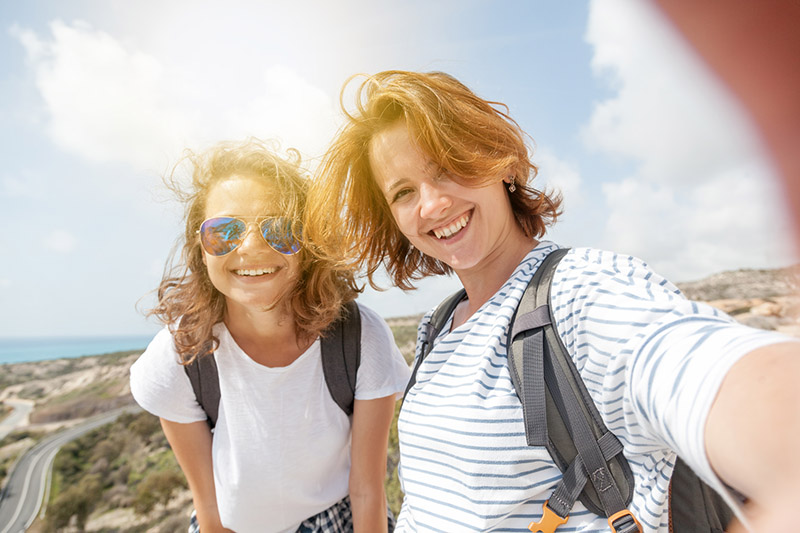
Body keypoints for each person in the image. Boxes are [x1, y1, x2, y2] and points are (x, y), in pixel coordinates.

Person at [306, 71, 800, 532]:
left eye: (447, 167)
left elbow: (711, 374)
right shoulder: (441, 325)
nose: (431, 204)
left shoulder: (582, 290)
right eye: (404, 192)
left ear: (494, 158)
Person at [130, 139, 410, 533]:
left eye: (280, 228)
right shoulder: (182, 352)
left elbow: (367, 492)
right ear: (201, 245)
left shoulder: (360, 337)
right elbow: (209, 510)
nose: (251, 247)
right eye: (224, 231)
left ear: (310, 242)